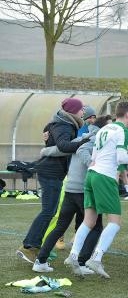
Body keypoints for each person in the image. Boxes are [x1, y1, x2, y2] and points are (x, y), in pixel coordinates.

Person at [64, 101, 128, 278]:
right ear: (127, 115)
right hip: (104, 177)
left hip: (92, 175)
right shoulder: (123, 131)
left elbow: (94, 157)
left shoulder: (103, 129)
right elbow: (121, 157)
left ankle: (73, 256)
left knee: (89, 221)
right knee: (115, 222)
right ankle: (96, 257)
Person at [32, 115, 112, 274]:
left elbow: (58, 150)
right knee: (95, 227)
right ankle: (81, 264)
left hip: (70, 190)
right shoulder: (98, 140)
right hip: (84, 191)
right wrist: (92, 163)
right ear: (104, 128)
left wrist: (44, 149)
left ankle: (40, 261)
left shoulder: (79, 138)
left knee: (61, 226)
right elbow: (83, 153)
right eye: (111, 126)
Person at [16, 98, 88, 264]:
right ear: (73, 110)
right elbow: (63, 145)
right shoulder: (64, 125)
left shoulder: (60, 123)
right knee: (49, 211)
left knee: (51, 210)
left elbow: (53, 139)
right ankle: (29, 247)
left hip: (51, 172)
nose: (83, 111)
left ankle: (33, 245)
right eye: (81, 109)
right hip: (50, 173)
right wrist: (84, 142)